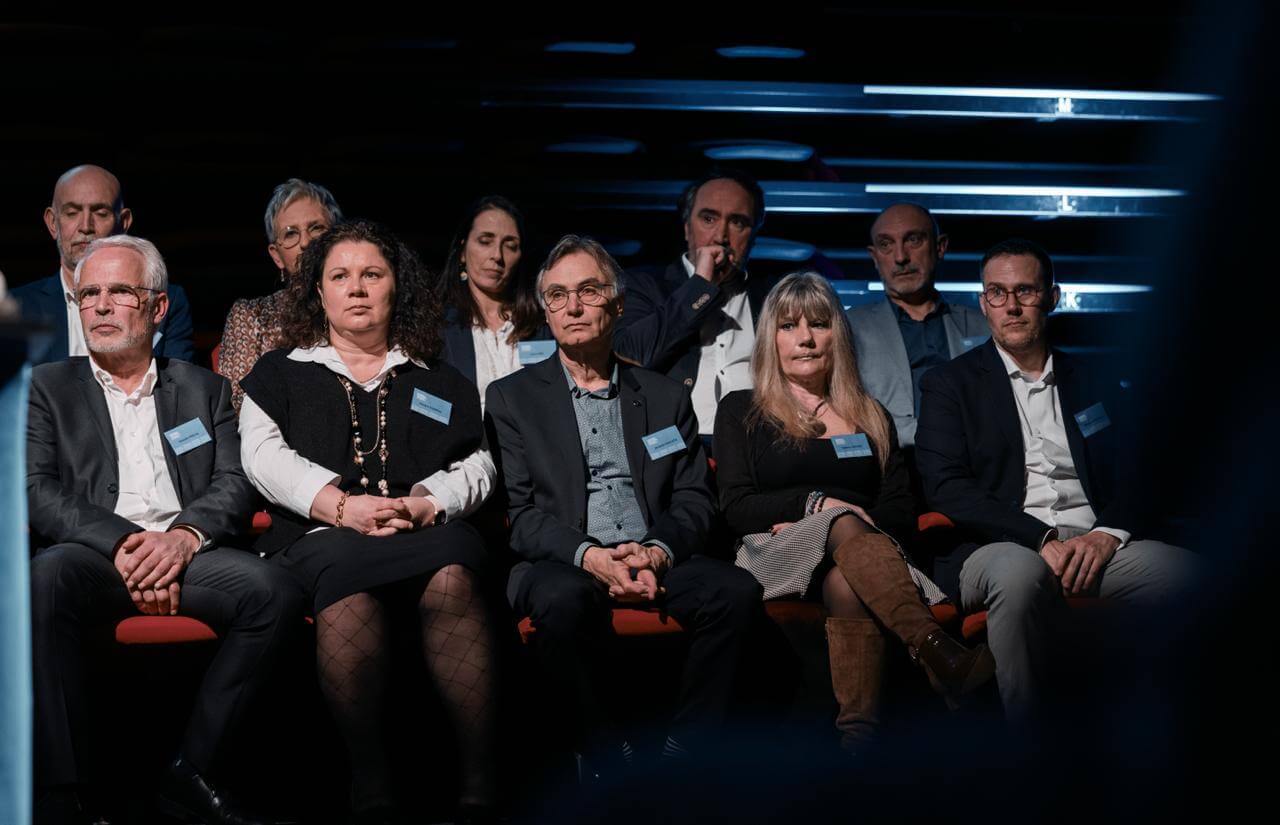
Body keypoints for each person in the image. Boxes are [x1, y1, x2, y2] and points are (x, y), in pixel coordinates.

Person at [27, 235, 302, 825]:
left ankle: (194, 771)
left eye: (119, 292)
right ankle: (65, 794)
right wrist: (123, 544)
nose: (100, 306)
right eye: (88, 294)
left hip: (189, 551)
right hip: (94, 556)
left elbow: (235, 481)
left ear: (158, 307)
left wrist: (180, 539)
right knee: (43, 579)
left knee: (275, 592)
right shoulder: (46, 388)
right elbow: (35, 489)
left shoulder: (205, 389)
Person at [238, 220, 499, 822]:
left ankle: (481, 778)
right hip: (321, 536)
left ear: (396, 288)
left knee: (455, 570)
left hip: (422, 532)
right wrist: (339, 506)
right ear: (319, 292)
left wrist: (428, 502)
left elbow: (479, 462)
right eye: (340, 276)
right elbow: (261, 456)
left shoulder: (439, 377)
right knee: (345, 576)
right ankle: (371, 781)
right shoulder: (279, 372)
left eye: (372, 275)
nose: (356, 288)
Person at [486, 234, 762, 771]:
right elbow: (521, 516)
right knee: (560, 601)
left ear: (617, 305)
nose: (573, 306)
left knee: (737, 592)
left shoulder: (664, 396)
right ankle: (606, 756)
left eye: (588, 291)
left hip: (652, 550)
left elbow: (693, 498)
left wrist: (655, 551)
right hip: (565, 559)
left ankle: (686, 752)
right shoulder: (512, 398)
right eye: (558, 295)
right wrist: (591, 556)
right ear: (546, 311)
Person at [915, 238, 1199, 719]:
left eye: (1025, 291)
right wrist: (1038, 536)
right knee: (1018, 575)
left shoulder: (1094, 377)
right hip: (1000, 545)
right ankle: (1026, 744)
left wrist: (1108, 534)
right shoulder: (950, 384)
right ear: (983, 303)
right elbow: (946, 486)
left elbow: (1142, 471)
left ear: (1052, 297)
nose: (1011, 306)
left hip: (1093, 546)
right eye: (997, 293)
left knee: (1194, 575)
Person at [713, 271, 993, 752]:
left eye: (819, 324)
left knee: (847, 579)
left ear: (837, 335)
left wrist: (849, 524)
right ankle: (936, 650)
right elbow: (736, 506)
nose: (805, 338)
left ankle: (857, 742)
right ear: (770, 339)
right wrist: (817, 507)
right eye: (788, 326)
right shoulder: (743, 410)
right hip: (774, 550)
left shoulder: (870, 414)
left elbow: (900, 509)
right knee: (839, 518)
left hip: (867, 556)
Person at [613, 168, 776, 441]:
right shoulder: (643, 285)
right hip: (673, 448)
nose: (721, 236)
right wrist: (700, 287)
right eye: (708, 218)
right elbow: (631, 356)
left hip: (756, 447)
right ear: (687, 227)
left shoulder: (772, 297)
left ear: (754, 233)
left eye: (737, 222)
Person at [14, 165, 194, 365]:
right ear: (52, 223)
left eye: (100, 213)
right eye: (72, 213)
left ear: (123, 222)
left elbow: (178, 380)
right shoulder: (15, 307)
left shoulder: (165, 300)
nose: (85, 227)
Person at [846, 202, 989, 448]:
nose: (901, 257)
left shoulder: (984, 326)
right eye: (886, 244)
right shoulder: (847, 328)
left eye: (913, 240)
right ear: (874, 257)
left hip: (973, 461)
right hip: (889, 462)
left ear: (940, 246)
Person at [217, 178, 343, 411]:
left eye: (316, 228)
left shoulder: (360, 304)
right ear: (276, 256)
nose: (305, 242)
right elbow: (237, 403)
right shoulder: (252, 315)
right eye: (290, 233)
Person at [437, 195, 554, 407]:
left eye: (510, 246)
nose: (497, 255)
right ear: (462, 252)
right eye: (485, 241)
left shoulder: (543, 324)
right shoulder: (437, 324)